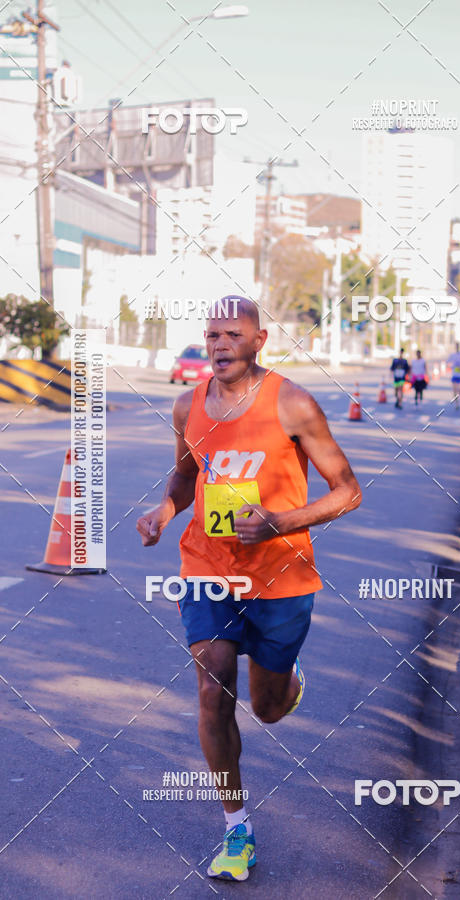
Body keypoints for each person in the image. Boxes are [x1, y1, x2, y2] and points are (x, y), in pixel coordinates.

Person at [136, 296, 361, 883]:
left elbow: (347, 491)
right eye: (211, 334)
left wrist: (278, 522)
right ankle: (238, 828)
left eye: (232, 334)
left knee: (265, 708)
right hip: (208, 567)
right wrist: (163, 511)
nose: (218, 344)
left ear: (259, 341)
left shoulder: (292, 402)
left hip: (282, 573)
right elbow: (186, 478)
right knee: (213, 690)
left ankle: (284, 682)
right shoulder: (189, 405)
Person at [446, 341, 460, 408]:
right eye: (456, 346)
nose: (457, 347)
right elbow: (447, 363)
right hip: (455, 375)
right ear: (455, 347)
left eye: (458, 346)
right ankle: (457, 404)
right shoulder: (452, 355)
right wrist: (450, 366)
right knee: (454, 391)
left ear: (459, 347)